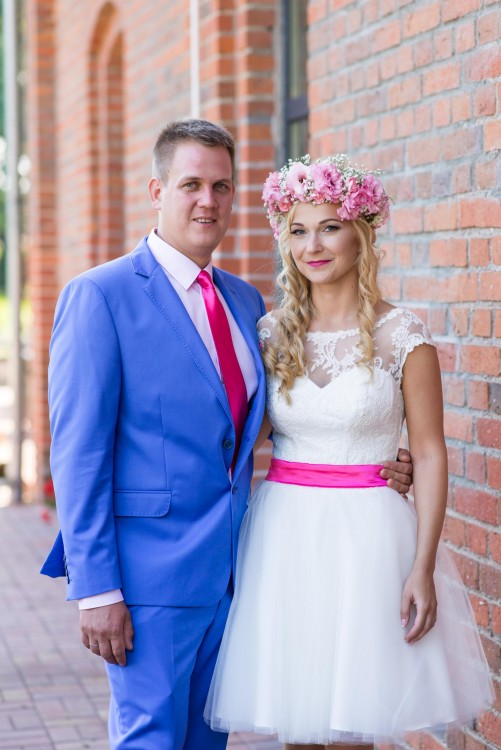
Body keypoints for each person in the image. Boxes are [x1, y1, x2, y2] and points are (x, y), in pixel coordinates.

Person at [40, 122, 413, 750]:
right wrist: (97, 589)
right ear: (157, 191)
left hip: (237, 571)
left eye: (221, 186)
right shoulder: (100, 296)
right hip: (149, 582)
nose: (207, 201)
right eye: (191, 184)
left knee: (206, 741)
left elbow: (280, 422)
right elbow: (79, 455)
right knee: (151, 738)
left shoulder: (245, 304)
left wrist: (379, 457)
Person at [204, 153, 494, 749]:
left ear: (360, 234)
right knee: (298, 717)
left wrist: (421, 566)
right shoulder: (269, 335)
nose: (312, 246)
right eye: (299, 230)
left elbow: (429, 454)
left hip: (368, 540)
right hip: (286, 537)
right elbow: (239, 432)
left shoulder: (403, 336)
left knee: (352, 723)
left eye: (330, 227)